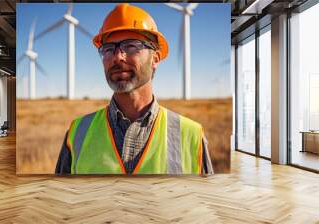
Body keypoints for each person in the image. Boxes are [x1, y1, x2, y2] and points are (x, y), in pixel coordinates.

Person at [55, 3, 214, 175]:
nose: (117, 57)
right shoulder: (78, 132)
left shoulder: (191, 135)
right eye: (108, 49)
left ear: (155, 59)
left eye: (131, 46)